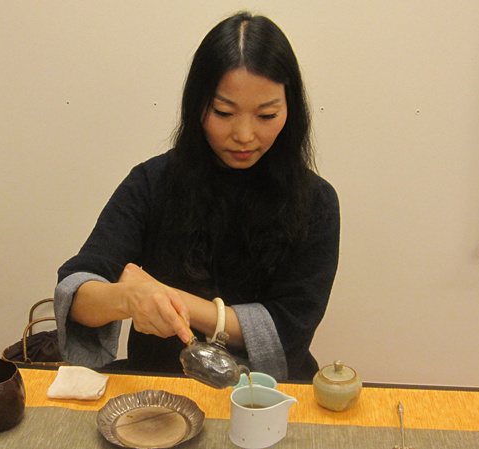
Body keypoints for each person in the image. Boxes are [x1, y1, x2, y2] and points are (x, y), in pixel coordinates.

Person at [54, 11, 339, 381]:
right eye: (223, 112)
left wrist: (164, 294)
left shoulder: (316, 202)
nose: (244, 135)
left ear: (290, 110)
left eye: (266, 115)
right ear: (196, 104)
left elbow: (288, 329)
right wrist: (129, 298)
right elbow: (77, 295)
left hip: (266, 392)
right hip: (161, 385)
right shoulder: (152, 183)